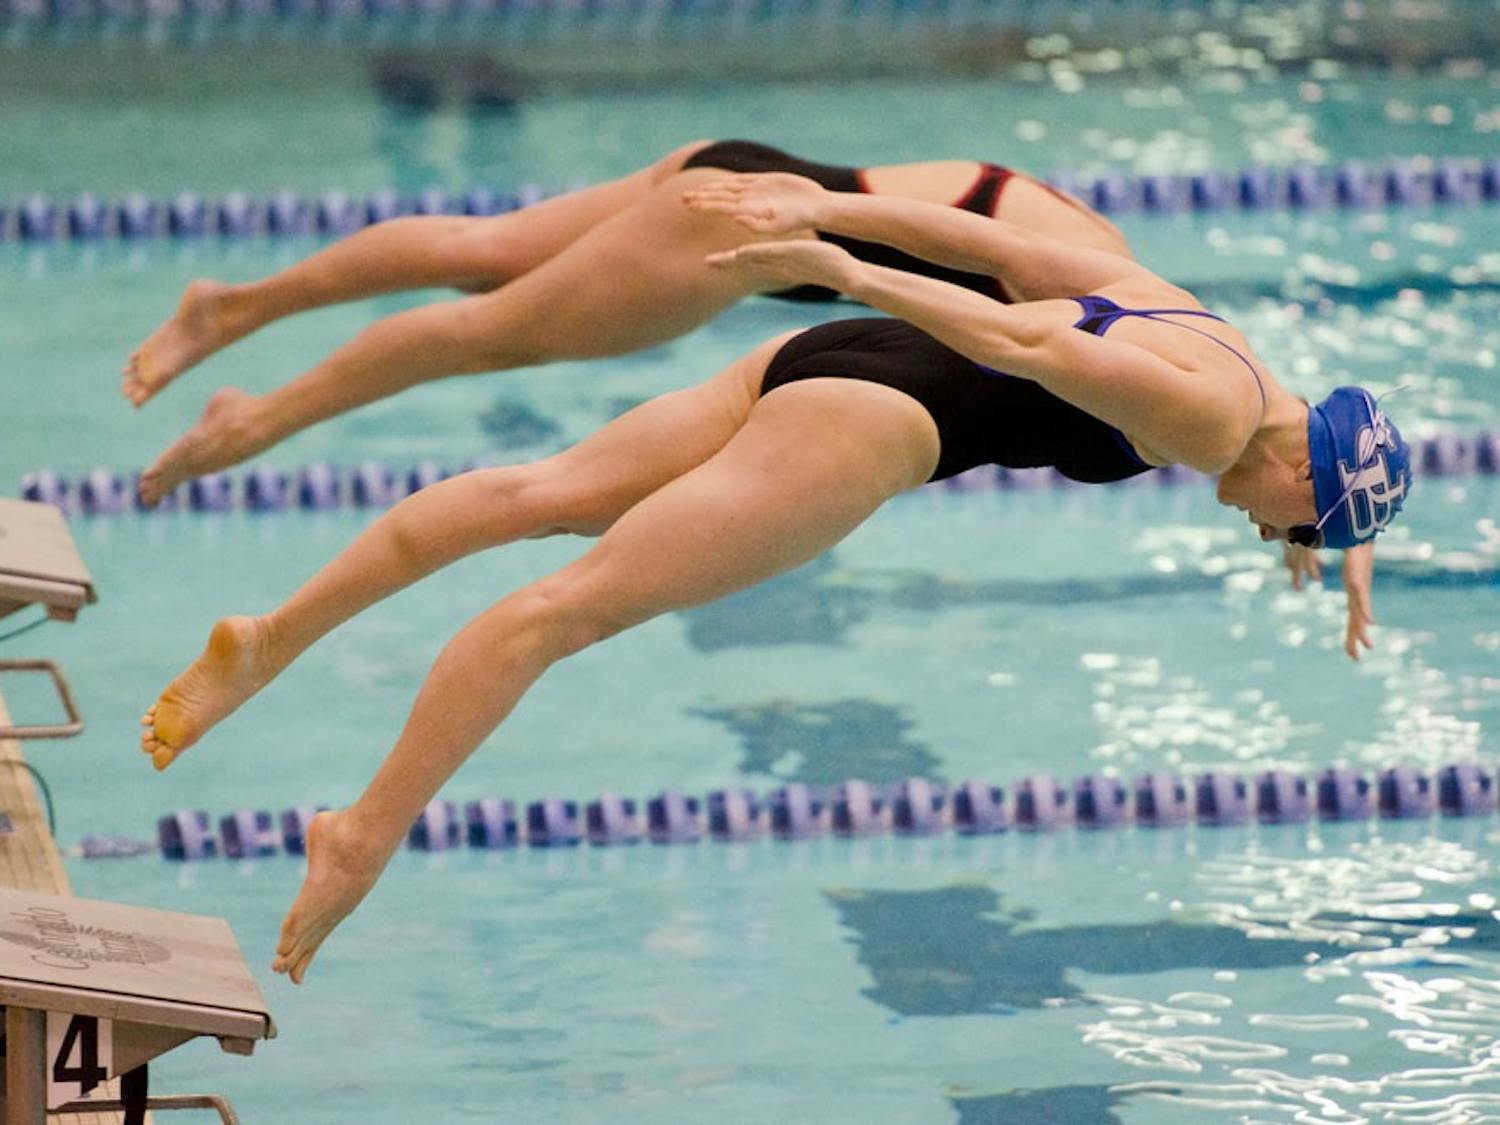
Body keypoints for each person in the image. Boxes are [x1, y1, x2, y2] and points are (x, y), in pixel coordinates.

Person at [139, 170, 1412, 984]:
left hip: (840, 350)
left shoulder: (1218, 340)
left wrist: (823, 221)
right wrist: (850, 258)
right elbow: (1024, 338)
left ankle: (274, 634)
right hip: (880, 416)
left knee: (540, 498)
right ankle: (360, 836)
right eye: (1304, 526)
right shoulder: (1202, 427)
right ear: (1311, 474)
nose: (1277, 537)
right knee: (560, 613)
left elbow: (998, 249)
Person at [122, 140, 1130, 506]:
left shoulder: (1102, 258)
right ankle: (252, 421)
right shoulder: (1082, 317)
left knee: (486, 249)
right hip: (729, 224)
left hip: (736, 167)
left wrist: (1283, 508)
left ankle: (231, 305)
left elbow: (1214, 398)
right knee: (489, 331)